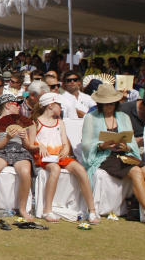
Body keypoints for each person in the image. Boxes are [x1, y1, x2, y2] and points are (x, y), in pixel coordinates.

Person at [81, 83, 145, 225]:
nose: (109, 107)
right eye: (106, 104)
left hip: (123, 153)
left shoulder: (122, 117)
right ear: (100, 104)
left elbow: (131, 140)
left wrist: (126, 146)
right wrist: (101, 145)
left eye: (112, 104)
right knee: (136, 172)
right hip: (105, 156)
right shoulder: (91, 118)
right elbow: (86, 143)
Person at [33, 92, 99, 223]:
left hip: (59, 155)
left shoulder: (60, 122)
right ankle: (47, 209)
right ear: (50, 105)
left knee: (80, 169)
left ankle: (91, 210)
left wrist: (65, 149)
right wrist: (39, 146)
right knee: (55, 169)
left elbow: (65, 142)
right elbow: (32, 142)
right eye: (59, 105)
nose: (61, 108)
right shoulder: (36, 122)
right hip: (44, 157)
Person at [0, 94, 36, 222]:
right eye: (16, 104)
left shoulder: (22, 121)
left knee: (25, 172)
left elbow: (28, 146)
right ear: (8, 105)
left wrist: (23, 138)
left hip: (20, 151)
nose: (19, 107)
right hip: (2, 150)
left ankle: (22, 209)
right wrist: (7, 138)